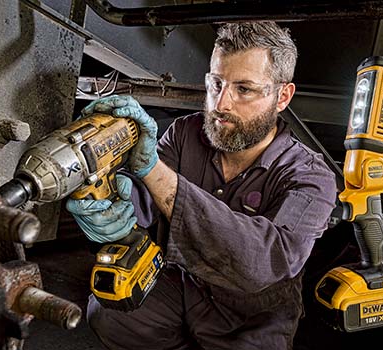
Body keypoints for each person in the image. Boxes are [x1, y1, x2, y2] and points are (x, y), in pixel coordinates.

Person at [67, 21, 337, 350]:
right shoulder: (185, 133)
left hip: (251, 315)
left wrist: (154, 171)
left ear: (282, 96)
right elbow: (142, 199)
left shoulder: (310, 176)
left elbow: (266, 262)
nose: (220, 104)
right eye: (216, 83)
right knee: (112, 313)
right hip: (181, 284)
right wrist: (110, 204)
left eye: (244, 89)